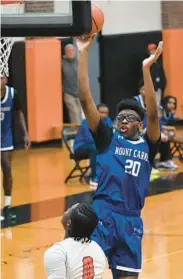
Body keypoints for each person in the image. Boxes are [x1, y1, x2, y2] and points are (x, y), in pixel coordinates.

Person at [77, 36, 162, 279]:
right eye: (120, 117)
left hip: (131, 220)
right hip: (103, 214)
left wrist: (147, 69)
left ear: (140, 124)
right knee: (86, 274)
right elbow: (84, 99)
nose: (122, 120)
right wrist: (83, 53)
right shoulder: (107, 137)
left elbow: (154, 115)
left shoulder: (148, 145)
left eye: (128, 117)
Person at [44, 203, 106, 279]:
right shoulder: (98, 249)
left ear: (68, 223)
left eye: (69, 209)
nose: (66, 210)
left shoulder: (58, 251)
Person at [1, 75, 30, 222]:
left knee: (6, 167)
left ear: (6, 79)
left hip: (5, 136)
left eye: (1, 78)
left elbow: (19, 113)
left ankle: (7, 205)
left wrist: (25, 134)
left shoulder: (13, 94)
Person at [74, 103, 113, 186]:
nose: (104, 115)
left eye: (106, 113)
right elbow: (90, 139)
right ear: (95, 112)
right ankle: (94, 178)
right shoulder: (88, 121)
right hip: (81, 147)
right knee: (94, 149)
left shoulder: (108, 121)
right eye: (101, 112)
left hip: (97, 146)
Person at [62, 44, 82, 124]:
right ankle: (76, 132)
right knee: (74, 113)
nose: (71, 53)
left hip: (79, 92)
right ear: (65, 52)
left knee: (80, 113)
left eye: (72, 51)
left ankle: (82, 131)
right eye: (69, 51)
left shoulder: (78, 62)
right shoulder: (62, 63)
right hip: (68, 92)